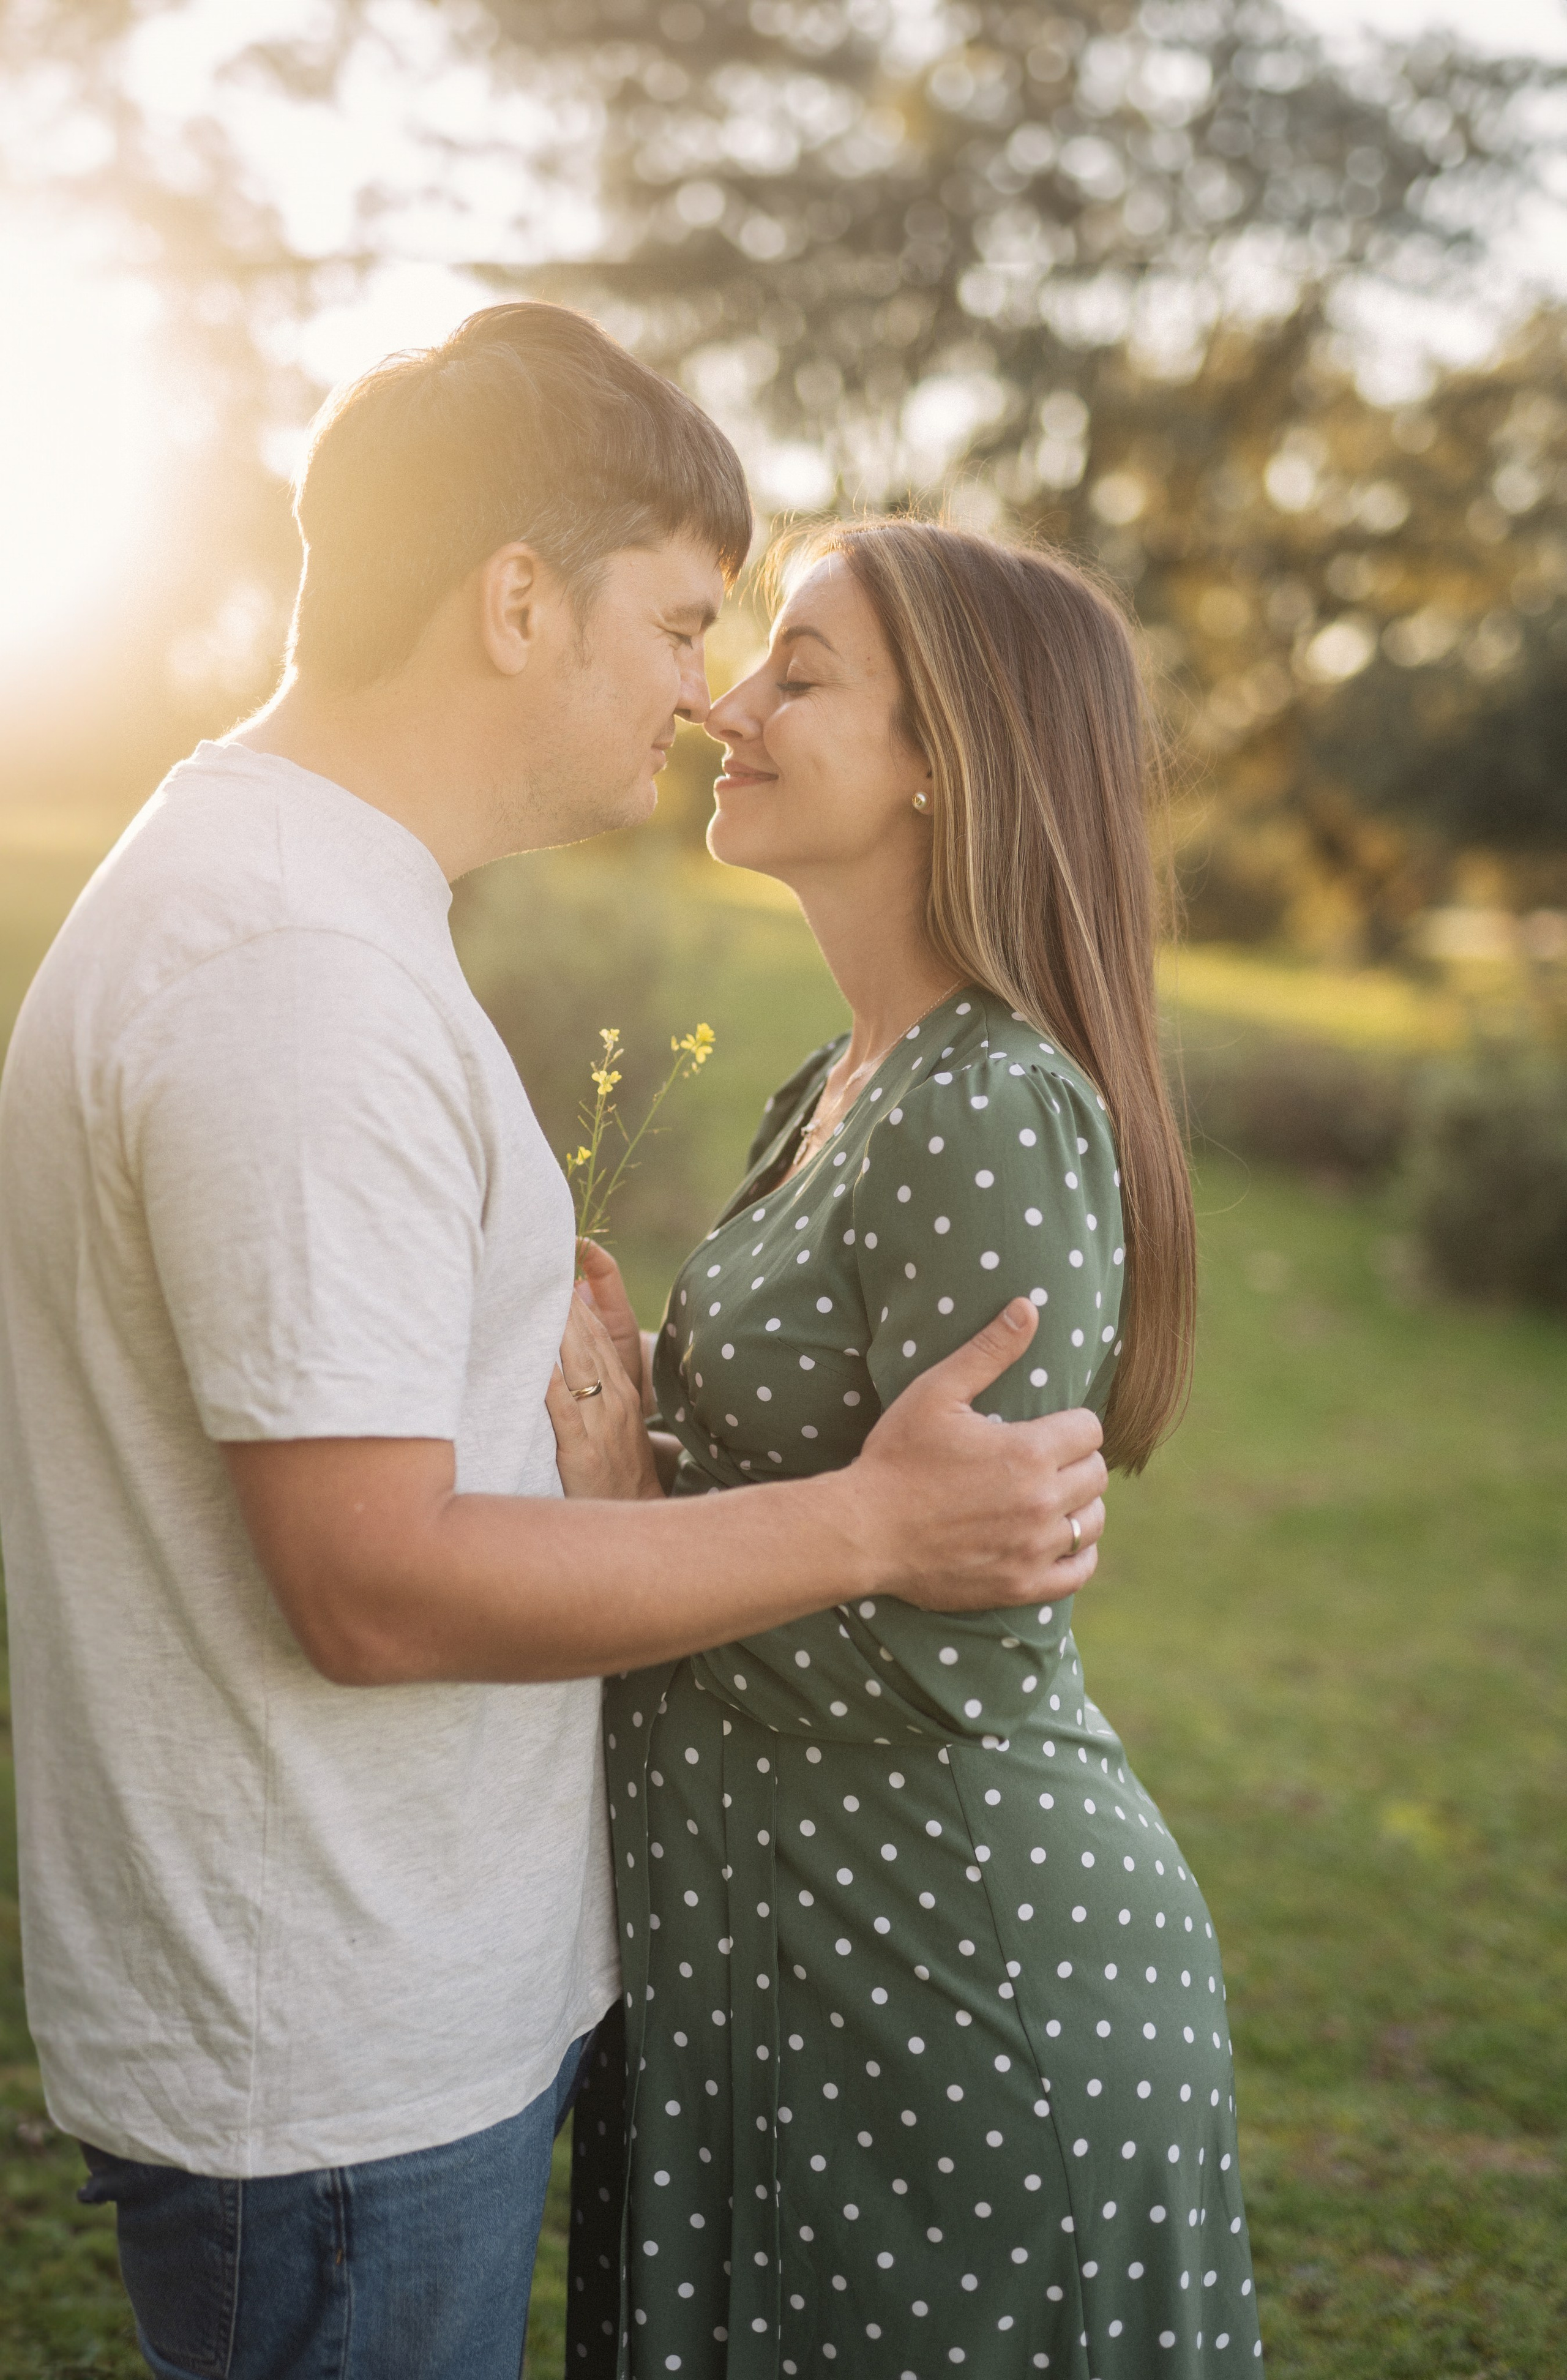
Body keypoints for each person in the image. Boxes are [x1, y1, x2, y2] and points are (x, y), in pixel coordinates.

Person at [0, 306, 1109, 2380]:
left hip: (358, 2027)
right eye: (684, 621)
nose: (703, 696)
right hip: (336, 2067)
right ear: (518, 602)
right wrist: (874, 1525)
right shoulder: (295, 974)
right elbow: (376, 1580)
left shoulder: (297, 902)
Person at [559, 522, 1262, 2376]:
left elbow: (938, 1630)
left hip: (939, 1970)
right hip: (787, 1955)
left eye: (803, 671)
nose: (730, 705)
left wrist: (628, 1505)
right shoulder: (849, 1079)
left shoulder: (989, 1111)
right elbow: (844, 1515)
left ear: (946, 753)